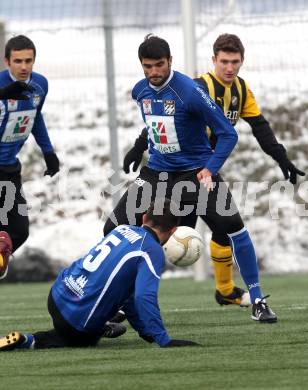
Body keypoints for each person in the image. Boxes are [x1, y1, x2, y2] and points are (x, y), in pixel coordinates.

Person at [122, 33, 305, 308]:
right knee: (171, 233)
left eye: (235, 62)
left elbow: (260, 127)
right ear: (214, 61)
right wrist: (139, 147)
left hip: (202, 170)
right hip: (179, 171)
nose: (229, 68)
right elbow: (160, 120)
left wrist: (282, 158)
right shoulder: (196, 87)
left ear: (242, 62)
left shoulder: (241, 91)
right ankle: (129, 299)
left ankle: (230, 290)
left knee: (224, 228)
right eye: (224, 62)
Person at [0, 199, 199, 351]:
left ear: (144, 217)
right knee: (81, 339)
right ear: (173, 231)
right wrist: (163, 339)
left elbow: (127, 295)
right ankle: (30, 340)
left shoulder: (122, 229)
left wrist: (144, 331)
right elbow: (142, 296)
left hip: (57, 293)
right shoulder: (151, 250)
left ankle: (102, 324)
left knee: (99, 308)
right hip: (77, 317)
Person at [0, 35, 60, 279]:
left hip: (10, 168)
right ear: (7, 62)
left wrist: (48, 152)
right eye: (18, 61)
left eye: (28, 61)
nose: (24, 66)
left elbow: (36, 116)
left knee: (19, 231)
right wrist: (3, 93)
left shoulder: (40, 85)